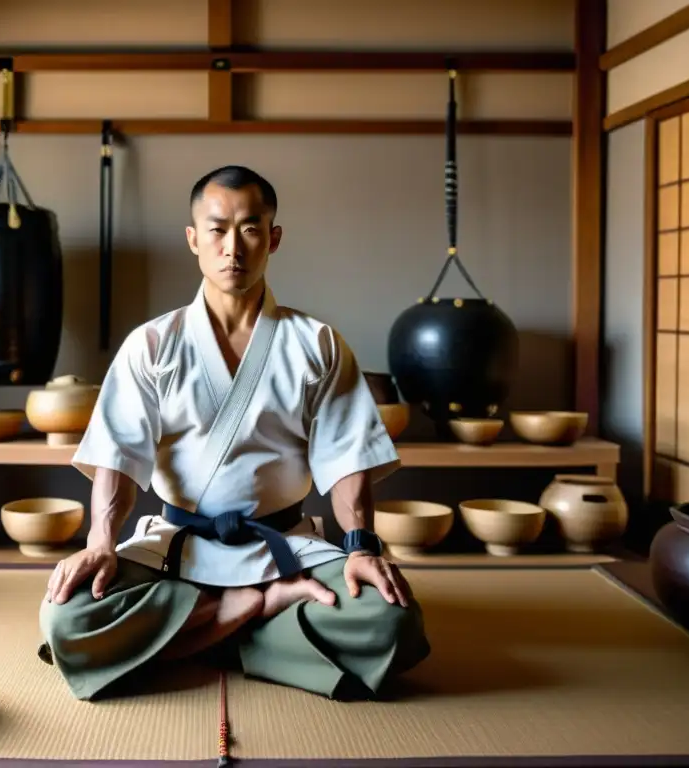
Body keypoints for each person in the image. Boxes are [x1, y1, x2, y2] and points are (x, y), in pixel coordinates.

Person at [38, 165, 431, 702]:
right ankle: (255, 614)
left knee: (392, 624)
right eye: (217, 229)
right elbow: (118, 454)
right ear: (193, 239)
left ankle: (188, 634)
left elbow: (348, 457)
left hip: (286, 547)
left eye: (249, 229)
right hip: (178, 552)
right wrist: (100, 544)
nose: (232, 248)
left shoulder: (316, 343)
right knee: (66, 617)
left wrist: (360, 546)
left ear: (273, 238)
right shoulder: (152, 344)